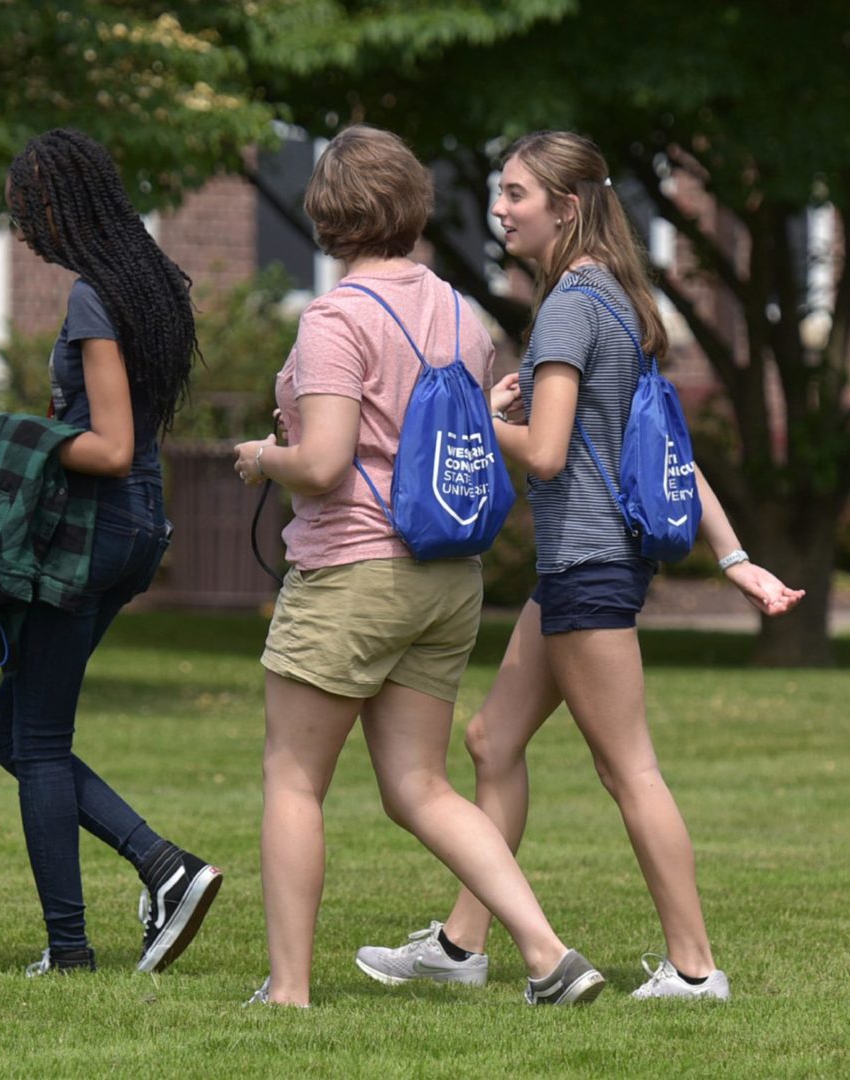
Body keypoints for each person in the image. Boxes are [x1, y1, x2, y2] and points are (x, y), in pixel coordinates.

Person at [354, 130, 805, 1001]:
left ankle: (695, 968)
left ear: (565, 205)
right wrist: (735, 555)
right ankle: (460, 946)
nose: (499, 210)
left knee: (627, 768)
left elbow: (551, 453)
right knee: (492, 739)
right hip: (587, 564)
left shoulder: (568, 306)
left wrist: (465, 422)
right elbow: (661, 452)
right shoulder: (615, 301)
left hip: (588, 562)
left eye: (516, 193)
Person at [233, 124, 605, 1009]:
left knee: (292, 776)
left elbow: (322, 462)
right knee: (419, 785)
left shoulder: (335, 318)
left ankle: (287, 991)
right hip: (445, 578)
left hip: (354, 570)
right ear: (412, 206)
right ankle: (549, 953)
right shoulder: (455, 308)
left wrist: (262, 457)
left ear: (326, 216)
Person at [0, 128, 221, 976]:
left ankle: (76, 944)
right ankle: (164, 871)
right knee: (12, 732)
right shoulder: (151, 284)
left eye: (28, 208)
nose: (20, 227)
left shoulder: (98, 297)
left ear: (66, 206)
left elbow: (111, 446)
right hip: (135, 530)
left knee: (39, 740)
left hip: (92, 534)